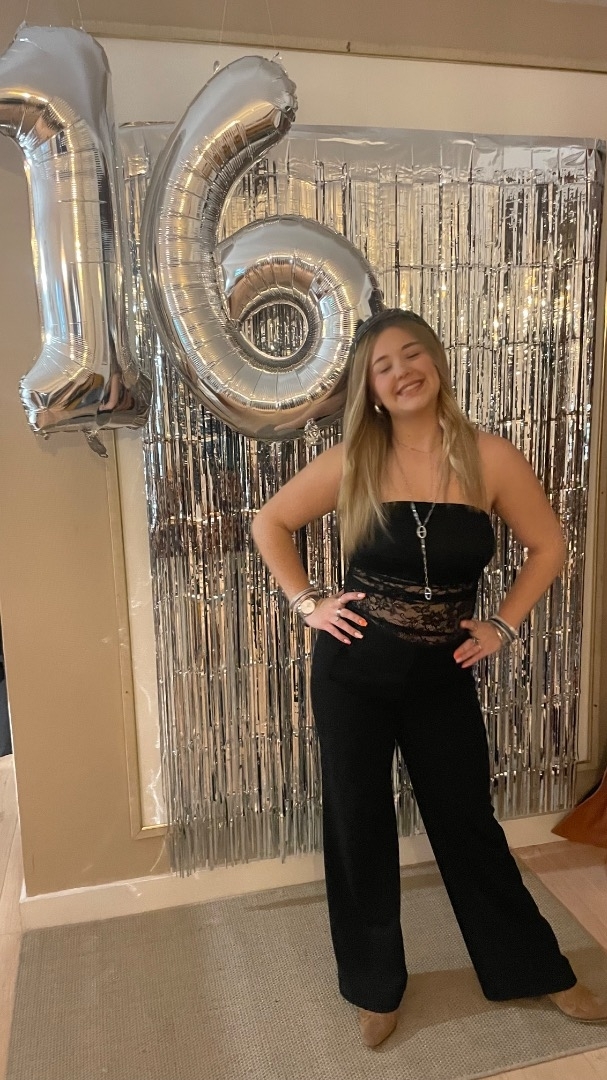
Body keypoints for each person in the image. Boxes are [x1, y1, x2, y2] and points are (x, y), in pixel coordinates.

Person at [251, 308, 607, 1048]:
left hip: (441, 673)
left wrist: (502, 625)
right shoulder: (352, 459)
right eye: (382, 366)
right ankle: (374, 987)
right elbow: (270, 523)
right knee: (358, 825)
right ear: (370, 388)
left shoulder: (489, 457)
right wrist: (308, 603)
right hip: (353, 671)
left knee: (466, 823)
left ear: (436, 362)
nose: (401, 372)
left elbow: (548, 545)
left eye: (411, 355)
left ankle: (532, 969)